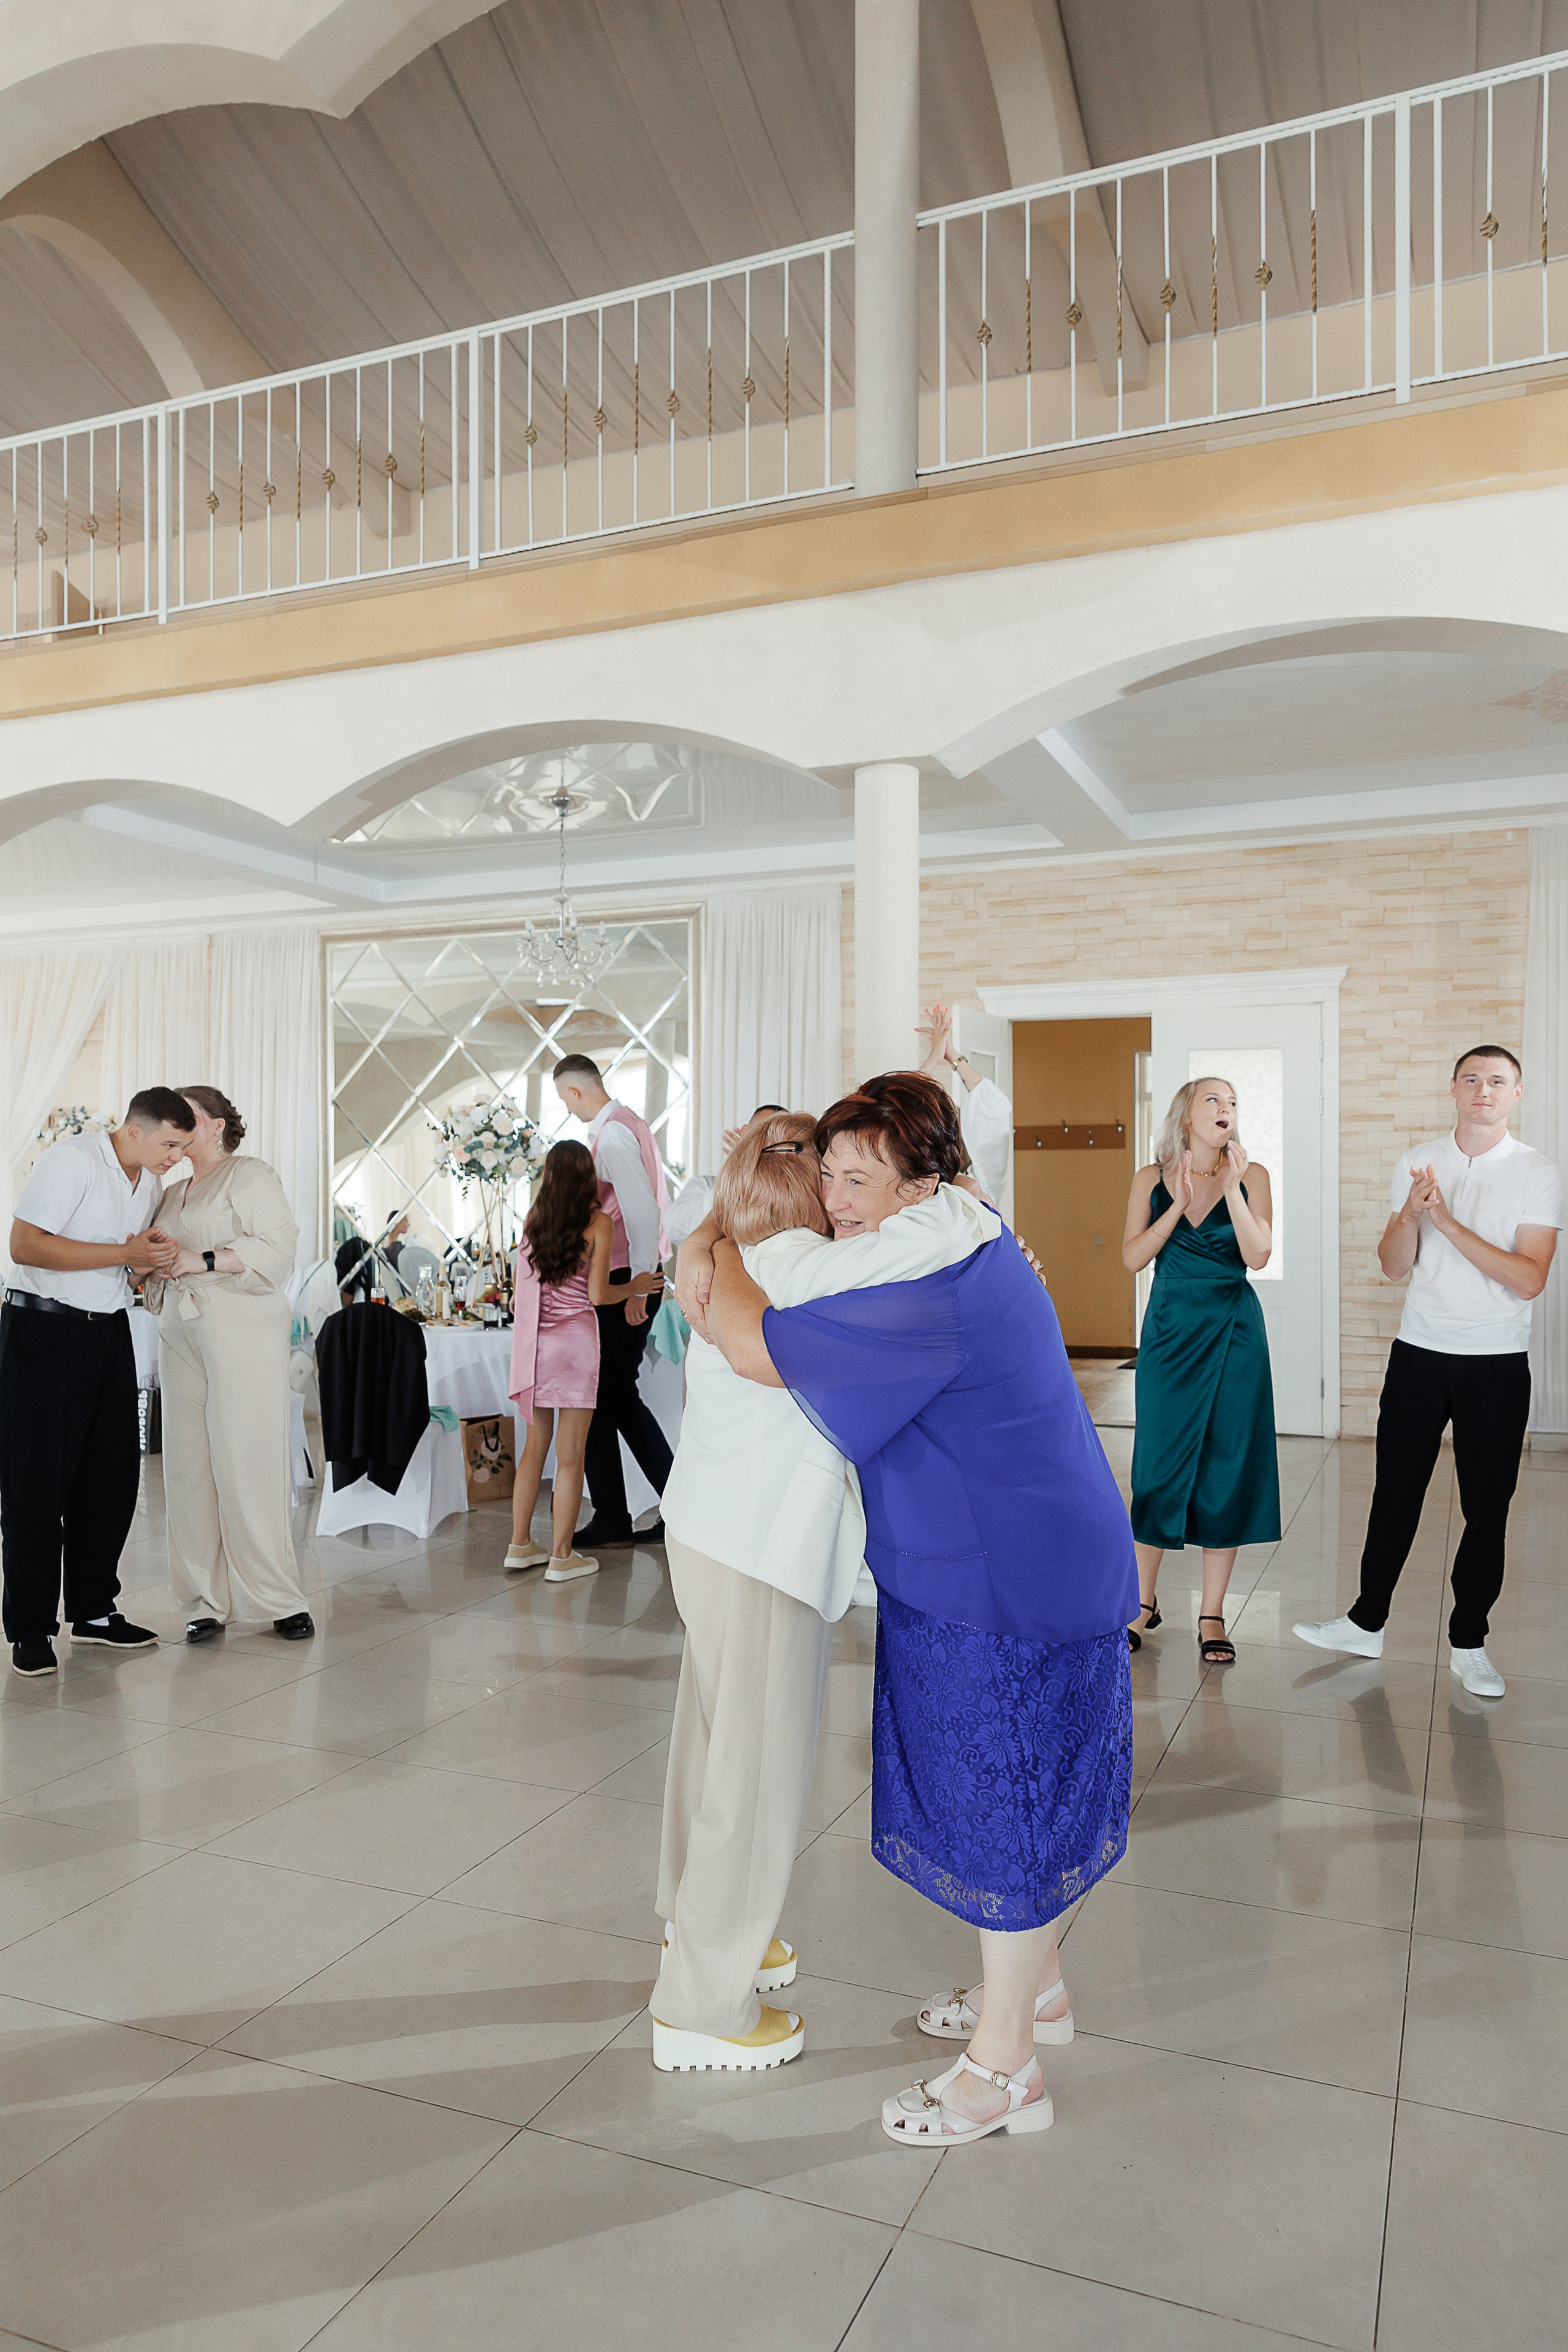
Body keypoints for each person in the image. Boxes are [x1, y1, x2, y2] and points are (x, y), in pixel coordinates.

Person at [684, 1071, 1136, 2147]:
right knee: (1003, 1792)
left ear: (924, 1183)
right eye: (827, 1173)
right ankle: (1040, 1998)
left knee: (1011, 1804)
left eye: (859, 1179)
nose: (836, 1198)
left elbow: (750, 1343)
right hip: (985, 1561)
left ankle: (1004, 2071)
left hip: (1012, 1579)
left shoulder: (922, 1291)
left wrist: (724, 1241)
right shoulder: (951, 1232)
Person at [652, 1113, 865, 2074]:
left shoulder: (720, 1259)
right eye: (846, 1181)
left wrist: (706, 1231)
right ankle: (703, 2002)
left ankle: (694, 1924)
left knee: (709, 1741)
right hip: (765, 1553)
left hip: (703, 1531)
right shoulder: (815, 1275)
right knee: (757, 1770)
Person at [1295, 1044, 1561, 1699]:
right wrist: (1411, 1214)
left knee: (1485, 1507)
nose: (1483, 1090)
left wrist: (1444, 1218)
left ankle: (1469, 1642)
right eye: (1471, 1079)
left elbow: (1528, 1279)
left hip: (1495, 1363)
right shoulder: (1418, 1161)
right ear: (1452, 1088)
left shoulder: (1536, 1171)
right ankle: (1365, 1622)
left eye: (1497, 1081)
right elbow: (1392, 1267)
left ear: (1515, 1094)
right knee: (1394, 1493)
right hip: (1418, 1353)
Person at [2, 1087, 193, 1678]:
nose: (176, 1158)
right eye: (169, 1144)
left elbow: (122, 1263)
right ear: (135, 1130)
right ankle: (31, 1629)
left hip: (108, 1333)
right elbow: (25, 1244)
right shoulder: (74, 1160)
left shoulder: (150, 1186)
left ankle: (93, 1611)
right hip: (42, 1329)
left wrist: (145, 1259)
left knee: (112, 1475)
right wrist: (124, 1251)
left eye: (184, 1148)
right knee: (38, 1485)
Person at [143, 1086, 314, 1645]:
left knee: (247, 1461)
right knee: (187, 1467)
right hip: (179, 1329)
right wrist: (147, 1266)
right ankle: (201, 1601)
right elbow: (152, 1252)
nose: (178, 1123)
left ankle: (279, 1598)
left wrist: (202, 1259)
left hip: (241, 1326)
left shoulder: (251, 1174)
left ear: (216, 1125)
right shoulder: (170, 1192)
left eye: (188, 1114)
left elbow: (280, 1246)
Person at [1121, 1076, 1280, 1665]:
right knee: (1157, 1465)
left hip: (1235, 1332)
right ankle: (1141, 1603)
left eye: (1234, 1101)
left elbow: (1258, 1255)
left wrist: (1233, 1189)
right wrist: (1178, 1211)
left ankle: (1211, 1612)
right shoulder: (1149, 1178)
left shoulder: (1254, 1175)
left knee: (1228, 1466)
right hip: (1170, 1332)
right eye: (1213, 1099)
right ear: (1186, 1114)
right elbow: (1133, 1257)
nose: (1226, 1109)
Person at [507, 1140, 658, 1584]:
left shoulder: (534, 1221)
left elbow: (523, 1294)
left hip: (536, 1344)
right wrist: (636, 1286)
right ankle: (560, 1555)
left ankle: (519, 1545)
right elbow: (597, 1296)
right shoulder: (598, 1223)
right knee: (571, 1457)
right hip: (575, 1346)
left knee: (536, 1449)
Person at [551, 1053, 673, 1548]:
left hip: (627, 1277)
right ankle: (623, 1515)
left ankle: (631, 1514)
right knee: (609, 1399)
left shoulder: (614, 1133)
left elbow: (642, 1210)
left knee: (610, 1397)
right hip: (631, 1274)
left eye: (565, 1099)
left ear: (577, 1091)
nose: (568, 1109)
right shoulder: (628, 1124)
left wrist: (640, 1284)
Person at [919, 1003, 1013, 1204]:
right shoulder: (984, 1186)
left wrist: (935, 1059)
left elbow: (994, 1107)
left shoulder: (979, 1187)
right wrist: (950, 1055)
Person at [665, 1106, 788, 1250]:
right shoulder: (704, 1185)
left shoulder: (791, 1194)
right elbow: (673, 1229)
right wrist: (738, 1168)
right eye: (760, 1133)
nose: (766, 1144)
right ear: (745, 1132)